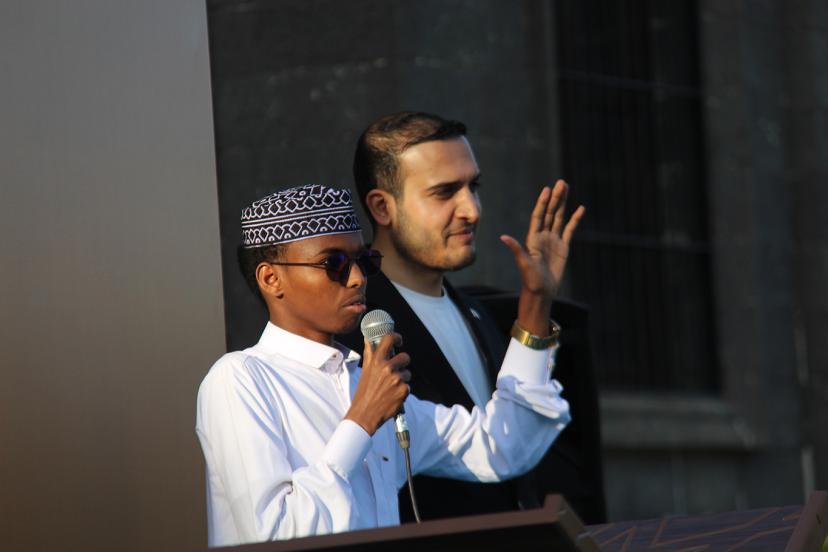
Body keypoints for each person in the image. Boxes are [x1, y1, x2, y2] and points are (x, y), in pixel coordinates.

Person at [196, 183, 578, 546]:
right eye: (334, 263)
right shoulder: (240, 379)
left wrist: (536, 302)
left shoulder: (365, 383)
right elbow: (273, 536)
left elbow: (501, 445)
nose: (357, 279)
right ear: (271, 278)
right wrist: (361, 421)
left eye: (364, 261)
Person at [340, 111, 587, 522]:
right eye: (444, 193)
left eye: (474, 186)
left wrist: (538, 302)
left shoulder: (477, 312)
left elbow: (514, 444)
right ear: (382, 207)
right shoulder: (355, 328)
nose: (471, 210)